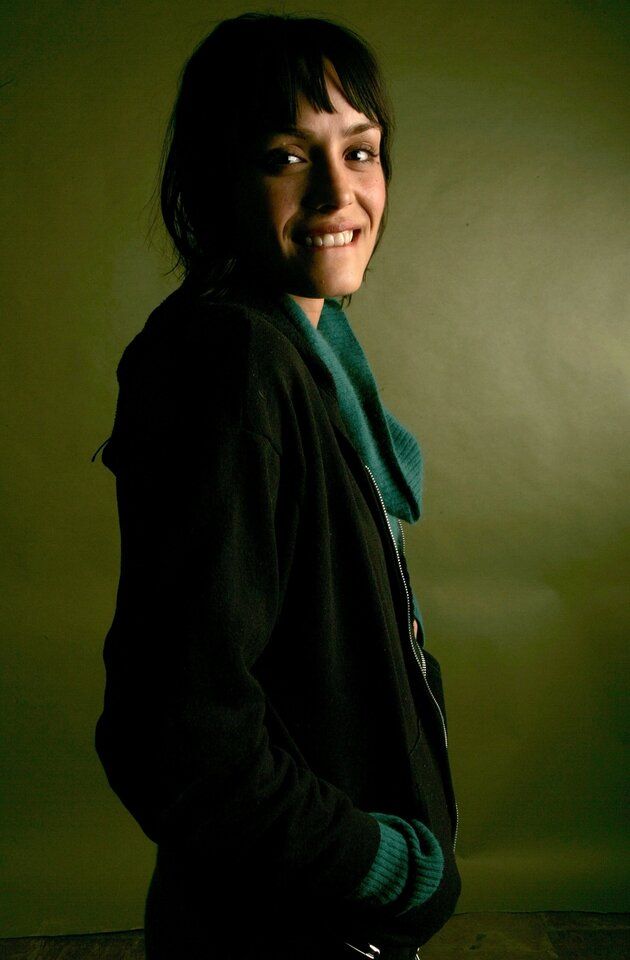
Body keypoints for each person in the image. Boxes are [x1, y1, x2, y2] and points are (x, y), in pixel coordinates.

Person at [95, 12, 461, 960]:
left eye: (361, 152)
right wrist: (383, 866)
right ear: (215, 180)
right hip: (285, 925)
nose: (341, 191)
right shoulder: (230, 363)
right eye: (286, 157)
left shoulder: (305, 349)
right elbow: (174, 733)